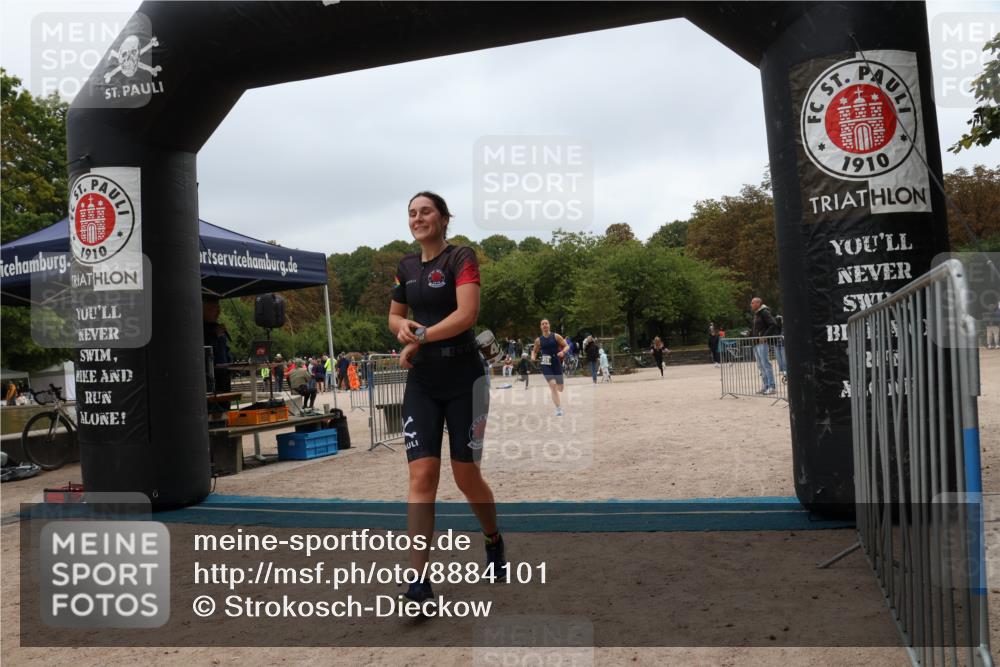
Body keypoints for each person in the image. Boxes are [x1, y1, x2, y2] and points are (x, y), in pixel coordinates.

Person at [388, 191, 505, 603]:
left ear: (443, 218)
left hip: (464, 379)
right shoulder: (404, 266)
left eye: (426, 212)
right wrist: (402, 327)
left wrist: (418, 337)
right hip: (422, 382)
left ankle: (492, 538)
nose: (418, 218)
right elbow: (394, 314)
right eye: (412, 213)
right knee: (422, 477)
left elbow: (466, 315)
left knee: (466, 476)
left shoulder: (461, 257)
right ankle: (419, 581)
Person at [531, 318, 570, 415]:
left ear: (549, 325)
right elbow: (534, 351)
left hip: (556, 362)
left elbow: (567, 346)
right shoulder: (538, 340)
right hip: (545, 363)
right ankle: (558, 409)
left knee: (560, 388)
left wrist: (563, 352)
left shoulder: (556, 336)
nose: (544, 325)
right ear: (541, 327)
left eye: (546, 323)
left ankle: (555, 392)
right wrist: (533, 356)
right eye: (542, 324)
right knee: (552, 385)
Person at [750, 297, 780, 395]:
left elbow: (773, 324)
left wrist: (765, 336)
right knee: (760, 366)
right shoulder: (757, 313)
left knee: (766, 364)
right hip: (756, 343)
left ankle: (772, 386)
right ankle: (766, 386)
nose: (751, 305)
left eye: (752, 303)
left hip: (762, 343)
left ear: (758, 303)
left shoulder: (764, 312)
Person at [203, 295, 231, 392]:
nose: (218, 312)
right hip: (210, 377)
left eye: (218, 309)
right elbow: (204, 348)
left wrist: (231, 362)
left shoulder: (217, 327)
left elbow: (225, 349)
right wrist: (215, 335)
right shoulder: (200, 328)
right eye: (214, 308)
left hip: (224, 375)